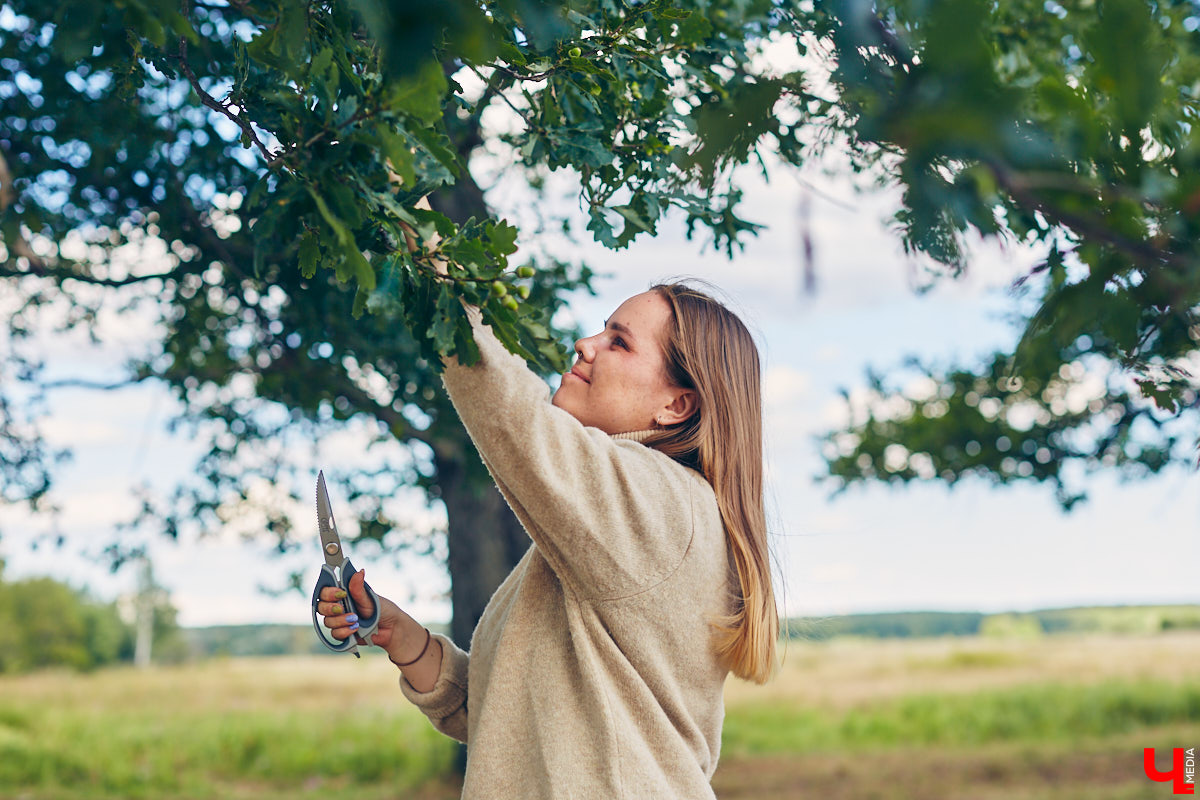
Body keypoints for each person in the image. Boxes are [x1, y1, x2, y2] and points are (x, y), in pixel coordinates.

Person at [316, 279, 778, 799]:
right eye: (603, 329)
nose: (586, 343)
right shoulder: (612, 533)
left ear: (676, 406)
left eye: (619, 342)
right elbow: (510, 720)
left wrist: (433, 270)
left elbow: (512, 415)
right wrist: (402, 636)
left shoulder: (662, 504)